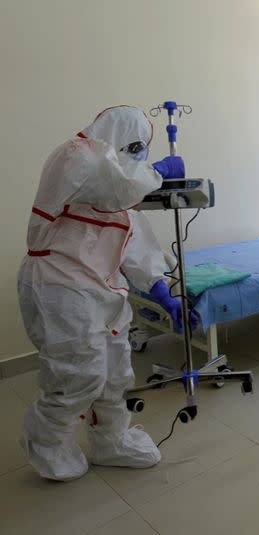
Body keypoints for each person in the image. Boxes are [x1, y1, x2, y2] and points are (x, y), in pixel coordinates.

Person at [18, 105, 190, 481]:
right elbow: (116, 184)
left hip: (102, 290)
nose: (139, 161)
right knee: (78, 375)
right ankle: (46, 440)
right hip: (59, 285)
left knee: (115, 373)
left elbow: (136, 247)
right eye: (137, 151)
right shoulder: (76, 155)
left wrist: (164, 295)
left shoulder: (119, 194)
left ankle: (111, 440)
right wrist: (157, 172)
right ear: (121, 141)